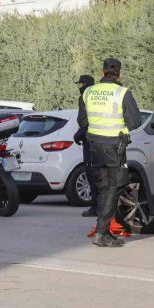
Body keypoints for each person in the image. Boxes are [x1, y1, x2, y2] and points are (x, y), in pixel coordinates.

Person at [78, 58, 141, 247]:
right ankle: (102, 232)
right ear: (119, 74)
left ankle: (102, 230)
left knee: (104, 186)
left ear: (102, 72)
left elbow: (82, 120)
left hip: (94, 147)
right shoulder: (122, 93)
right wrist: (122, 130)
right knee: (116, 186)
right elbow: (135, 121)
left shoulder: (89, 92)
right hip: (114, 146)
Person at [72, 74, 100, 217]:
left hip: (90, 140)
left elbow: (85, 120)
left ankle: (96, 207)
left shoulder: (85, 96)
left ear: (85, 84)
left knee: (92, 173)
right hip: (103, 139)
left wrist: (79, 134)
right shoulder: (97, 96)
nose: (79, 87)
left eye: (80, 84)